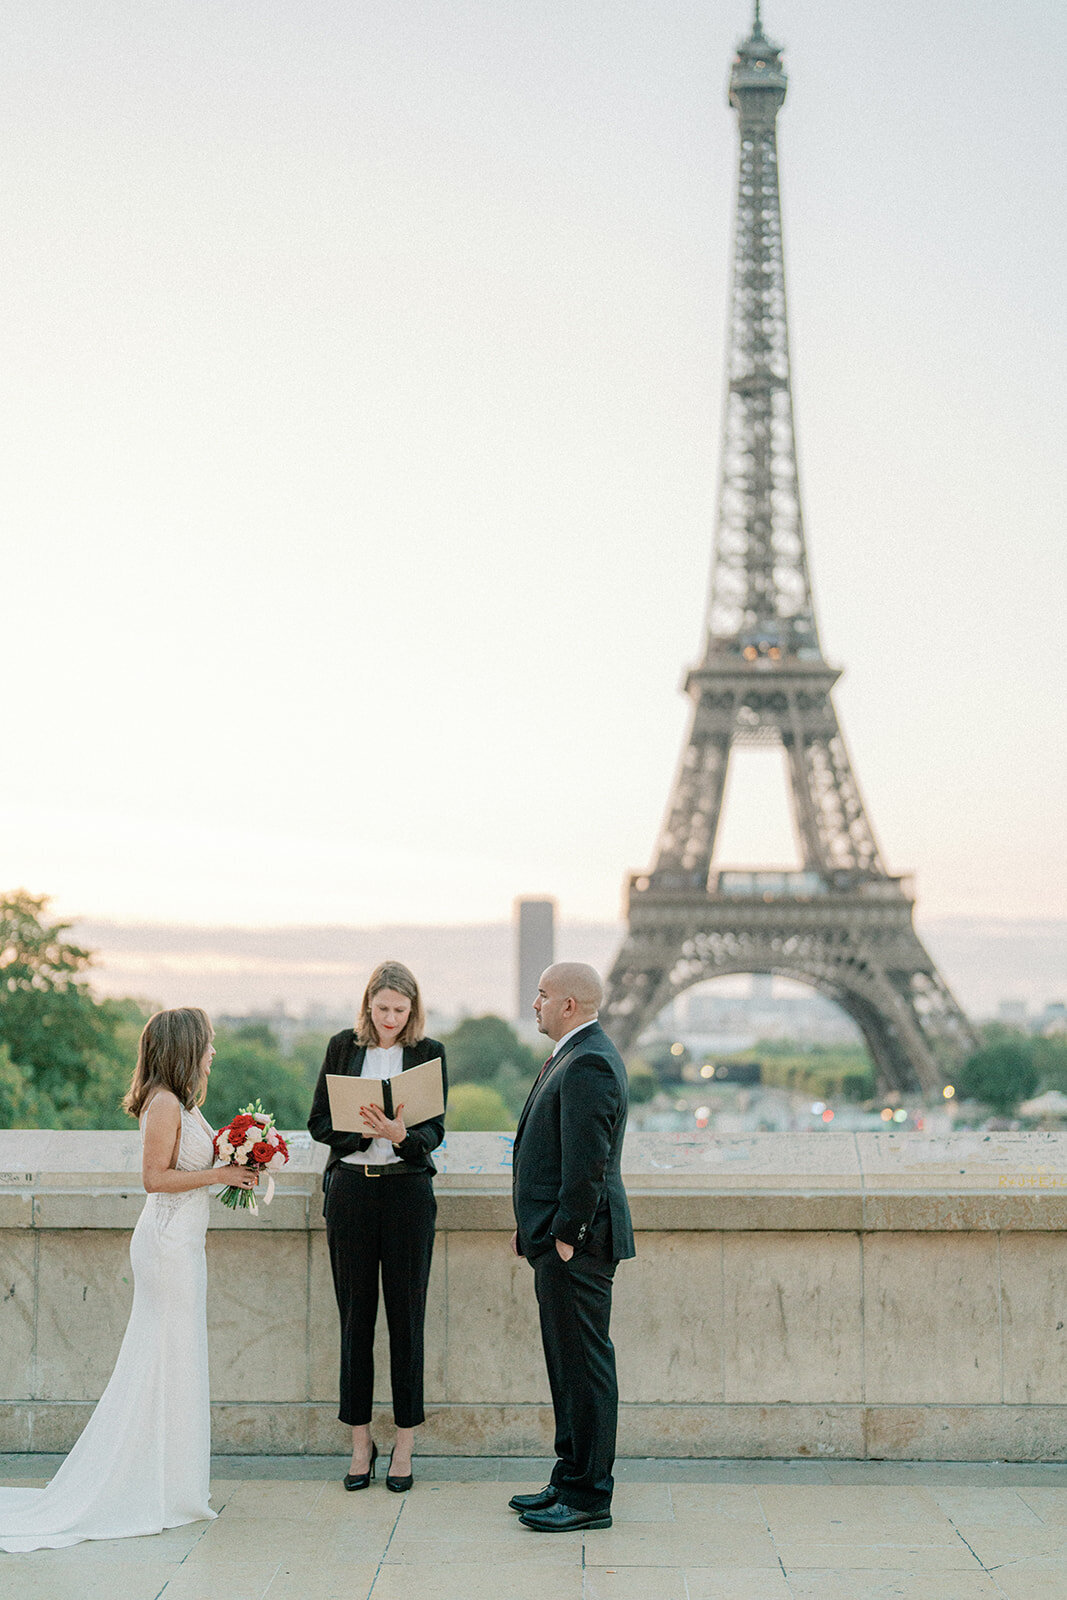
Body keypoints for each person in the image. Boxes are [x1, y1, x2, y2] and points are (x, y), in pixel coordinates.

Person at [0, 1006, 257, 1554]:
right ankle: (143, 1486)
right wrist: (224, 1173)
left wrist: (250, 1154)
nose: (213, 1052)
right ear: (185, 1046)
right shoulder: (163, 1103)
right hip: (165, 1245)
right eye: (207, 1044)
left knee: (177, 1358)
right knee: (159, 1356)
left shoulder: (182, 1103)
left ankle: (170, 1485)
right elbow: (154, 1179)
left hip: (185, 1243)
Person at [307, 960, 447, 1493]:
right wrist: (360, 1135)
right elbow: (319, 1120)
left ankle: (405, 1442)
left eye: (400, 1010)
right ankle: (360, 1440)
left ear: (413, 1010)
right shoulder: (343, 1046)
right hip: (351, 1190)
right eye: (382, 1008)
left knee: (407, 1318)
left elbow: (435, 1130)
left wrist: (400, 1133)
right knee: (355, 1321)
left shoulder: (429, 1053)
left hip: (407, 1192)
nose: (390, 1019)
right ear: (368, 1004)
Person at [508, 962, 634, 1532]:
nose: (534, 1003)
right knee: (567, 1366)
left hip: (576, 1246)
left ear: (569, 1005)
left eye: (542, 995)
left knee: (584, 1369)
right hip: (557, 1240)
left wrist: (564, 1236)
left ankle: (588, 1497)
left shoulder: (589, 1063)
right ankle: (569, 1477)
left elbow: (588, 1166)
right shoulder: (575, 1054)